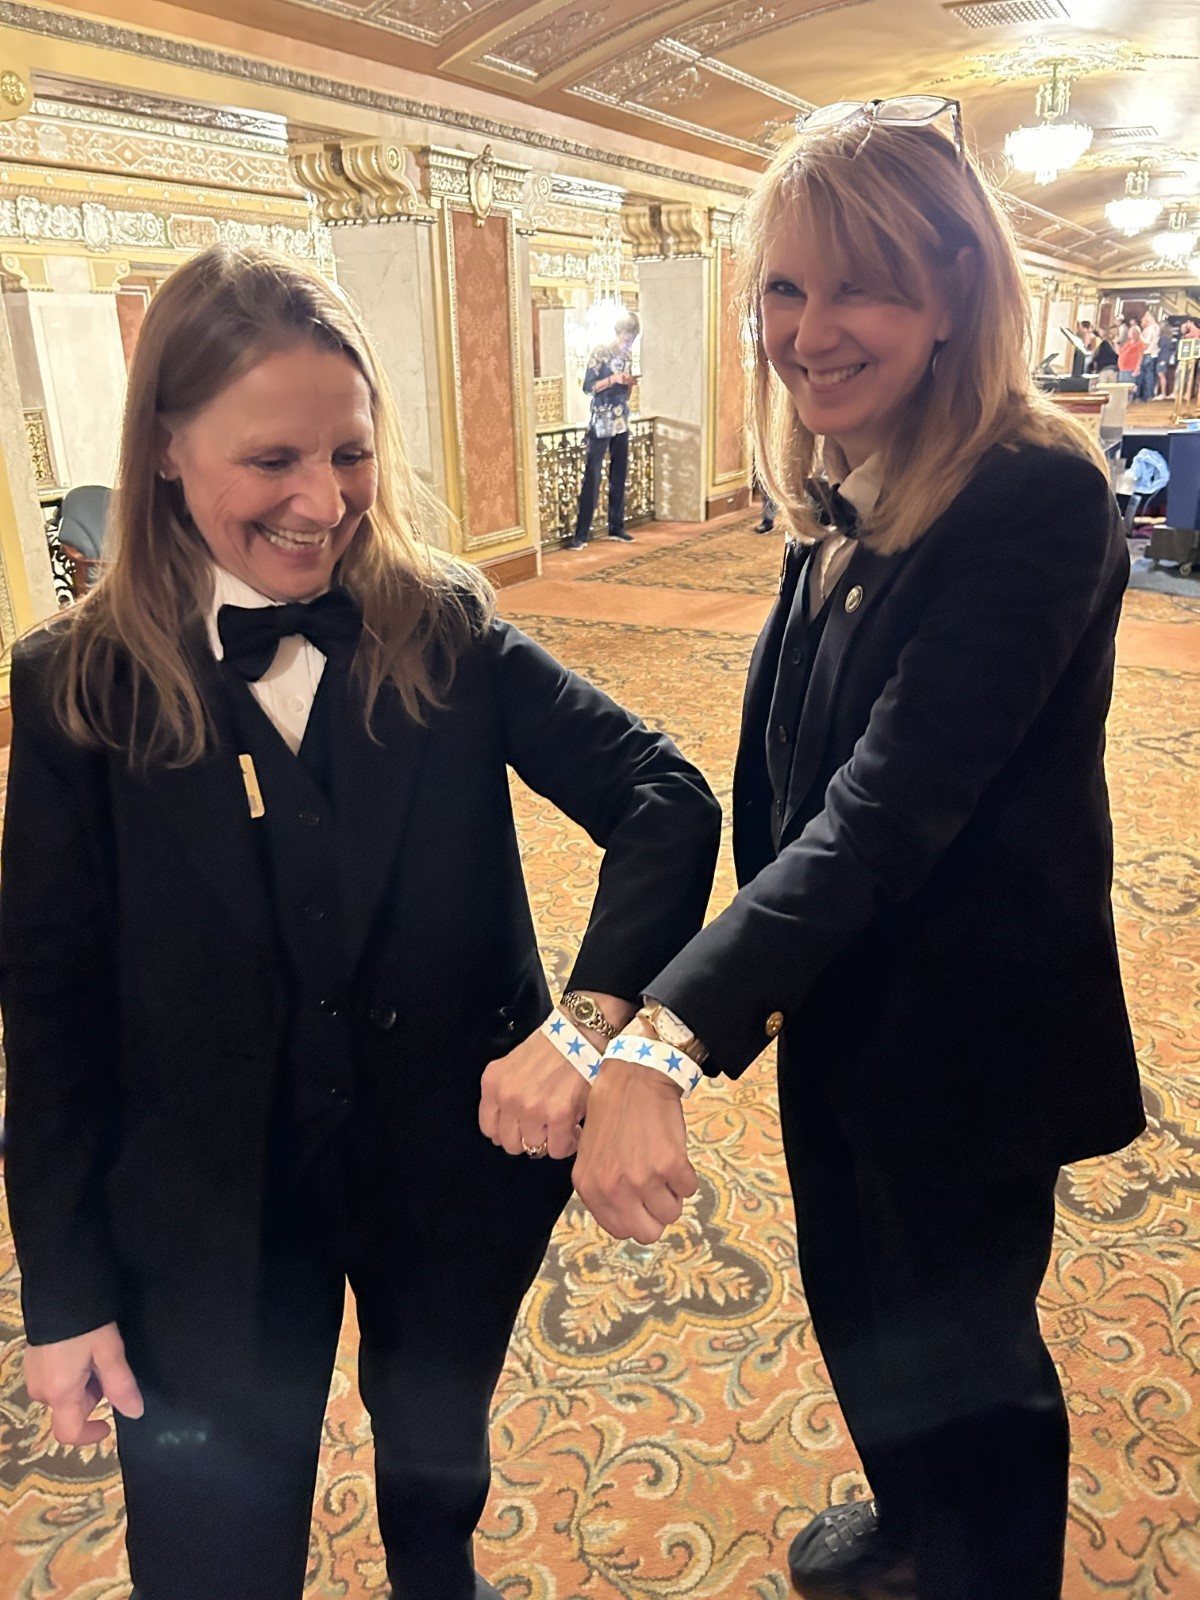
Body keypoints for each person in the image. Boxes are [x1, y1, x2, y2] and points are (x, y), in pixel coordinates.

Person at [0, 246, 721, 1600]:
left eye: (351, 452)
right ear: (164, 449)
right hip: (204, 1201)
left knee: (436, 1461)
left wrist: (589, 1024)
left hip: (449, 1165)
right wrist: (65, 1295)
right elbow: (48, 1014)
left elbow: (666, 797)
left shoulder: (441, 625)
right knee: (215, 1539)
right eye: (271, 459)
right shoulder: (72, 690)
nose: (322, 501)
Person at [570, 96, 1144, 1600]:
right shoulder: (844, 479)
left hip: (973, 1037)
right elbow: (783, 782)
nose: (810, 330)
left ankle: (984, 1570)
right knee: (861, 1305)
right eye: (784, 286)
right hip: (837, 1002)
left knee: (969, 1359)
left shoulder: (1039, 492)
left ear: (955, 292)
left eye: (861, 285)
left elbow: (885, 807)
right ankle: (908, 1530)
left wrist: (671, 1035)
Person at [566, 311, 640, 549]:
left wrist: (628, 383)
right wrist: (612, 380)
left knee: (619, 474)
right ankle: (582, 533)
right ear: (619, 333)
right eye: (627, 337)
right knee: (593, 475)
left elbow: (625, 390)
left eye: (632, 338)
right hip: (601, 420)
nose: (629, 342)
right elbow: (588, 387)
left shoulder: (627, 356)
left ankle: (616, 526)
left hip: (621, 421)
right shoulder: (601, 352)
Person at [1138, 308, 1160, 400]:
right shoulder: (1156, 327)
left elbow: (1146, 343)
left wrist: (1139, 336)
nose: (1143, 319)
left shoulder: (1149, 329)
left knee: (1146, 376)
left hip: (1147, 354)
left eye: (1145, 317)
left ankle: (1147, 395)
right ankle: (1149, 395)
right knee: (1149, 375)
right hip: (1152, 354)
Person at [1117, 318, 1144, 386]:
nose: (1132, 333)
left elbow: (1140, 356)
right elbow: (1120, 352)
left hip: (1130, 369)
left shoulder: (1139, 344)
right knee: (1122, 389)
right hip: (1122, 369)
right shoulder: (1128, 343)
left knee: (1128, 389)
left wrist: (1137, 368)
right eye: (1131, 331)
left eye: (1134, 331)